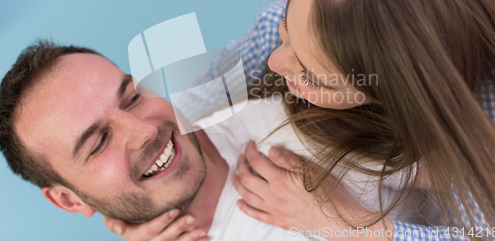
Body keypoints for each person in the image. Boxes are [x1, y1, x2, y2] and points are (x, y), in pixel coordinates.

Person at [107, 0, 495, 241]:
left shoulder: (481, 142)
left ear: (399, 98)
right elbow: (196, 103)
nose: (277, 62)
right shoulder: (308, 19)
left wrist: (344, 223)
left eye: (311, 76)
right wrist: (139, 199)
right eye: (287, 27)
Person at [0, 41, 396, 241]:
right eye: (99, 142)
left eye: (134, 96)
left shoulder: (301, 117)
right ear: (69, 200)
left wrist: (352, 227)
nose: (147, 130)